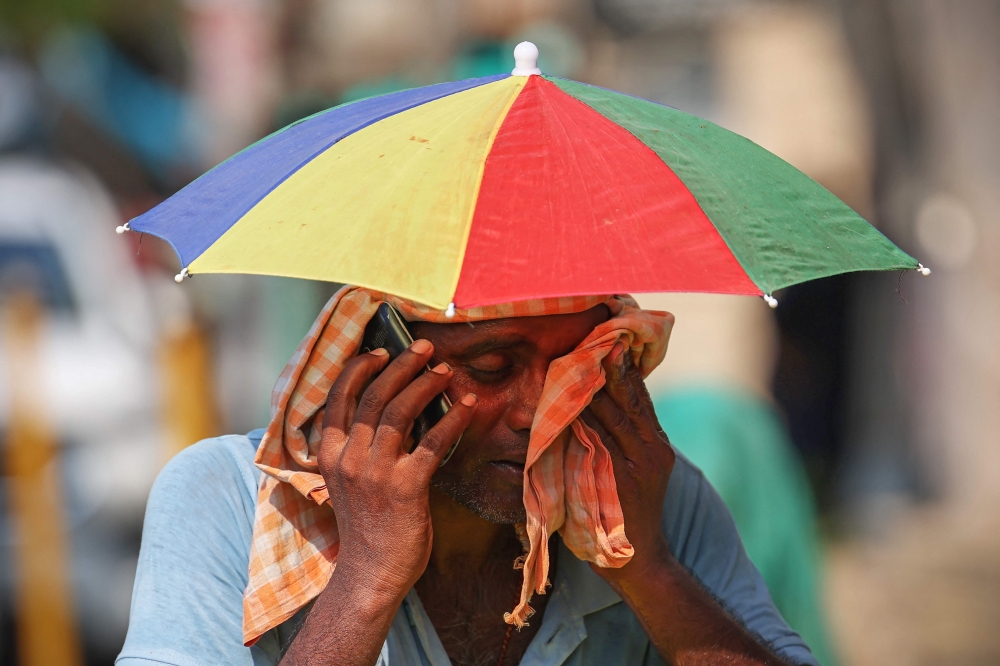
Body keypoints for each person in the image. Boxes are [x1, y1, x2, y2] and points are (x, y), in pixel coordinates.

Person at [117, 289, 819, 666]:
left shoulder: (649, 503)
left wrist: (650, 573)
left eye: (573, 370)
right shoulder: (226, 502)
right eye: (490, 369)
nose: (537, 413)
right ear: (379, 364)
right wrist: (365, 579)